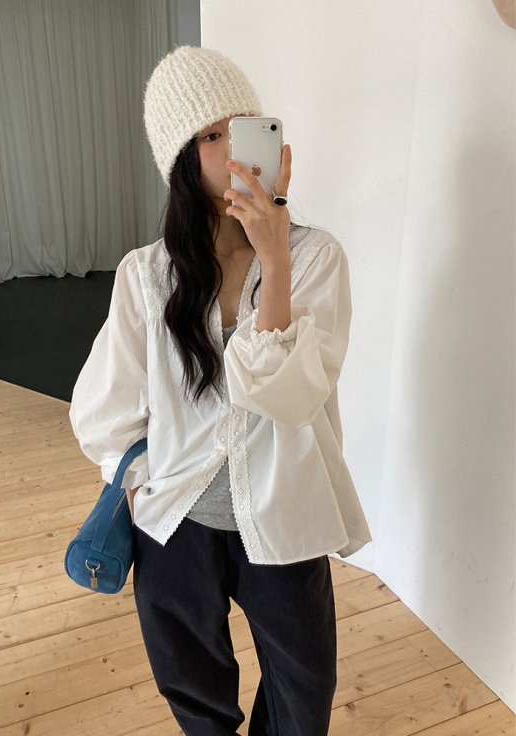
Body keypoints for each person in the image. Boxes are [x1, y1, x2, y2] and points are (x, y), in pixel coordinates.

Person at [70, 45, 372, 736]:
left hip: (283, 516)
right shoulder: (146, 275)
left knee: (304, 691)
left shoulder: (315, 258)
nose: (234, 148)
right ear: (182, 160)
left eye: (244, 127)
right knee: (194, 692)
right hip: (178, 524)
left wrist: (274, 259)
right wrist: (140, 484)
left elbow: (292, 399)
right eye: (212, 135)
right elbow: (104, 408)